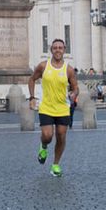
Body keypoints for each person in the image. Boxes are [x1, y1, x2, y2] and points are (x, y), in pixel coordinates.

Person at [28, 39, 78, 176]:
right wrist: (32, 97)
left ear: (64, 50)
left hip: (63, 107)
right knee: (48, 135)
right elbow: (32, 79)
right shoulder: (43, 66)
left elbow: (75, 87)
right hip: (47, 107)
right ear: (51, 50)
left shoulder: (69, 69)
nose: (57, 50)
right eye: (55, 48)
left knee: (61, 136)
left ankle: (55, 165)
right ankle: (43, 146)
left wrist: (74, 94)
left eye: (60, 48)